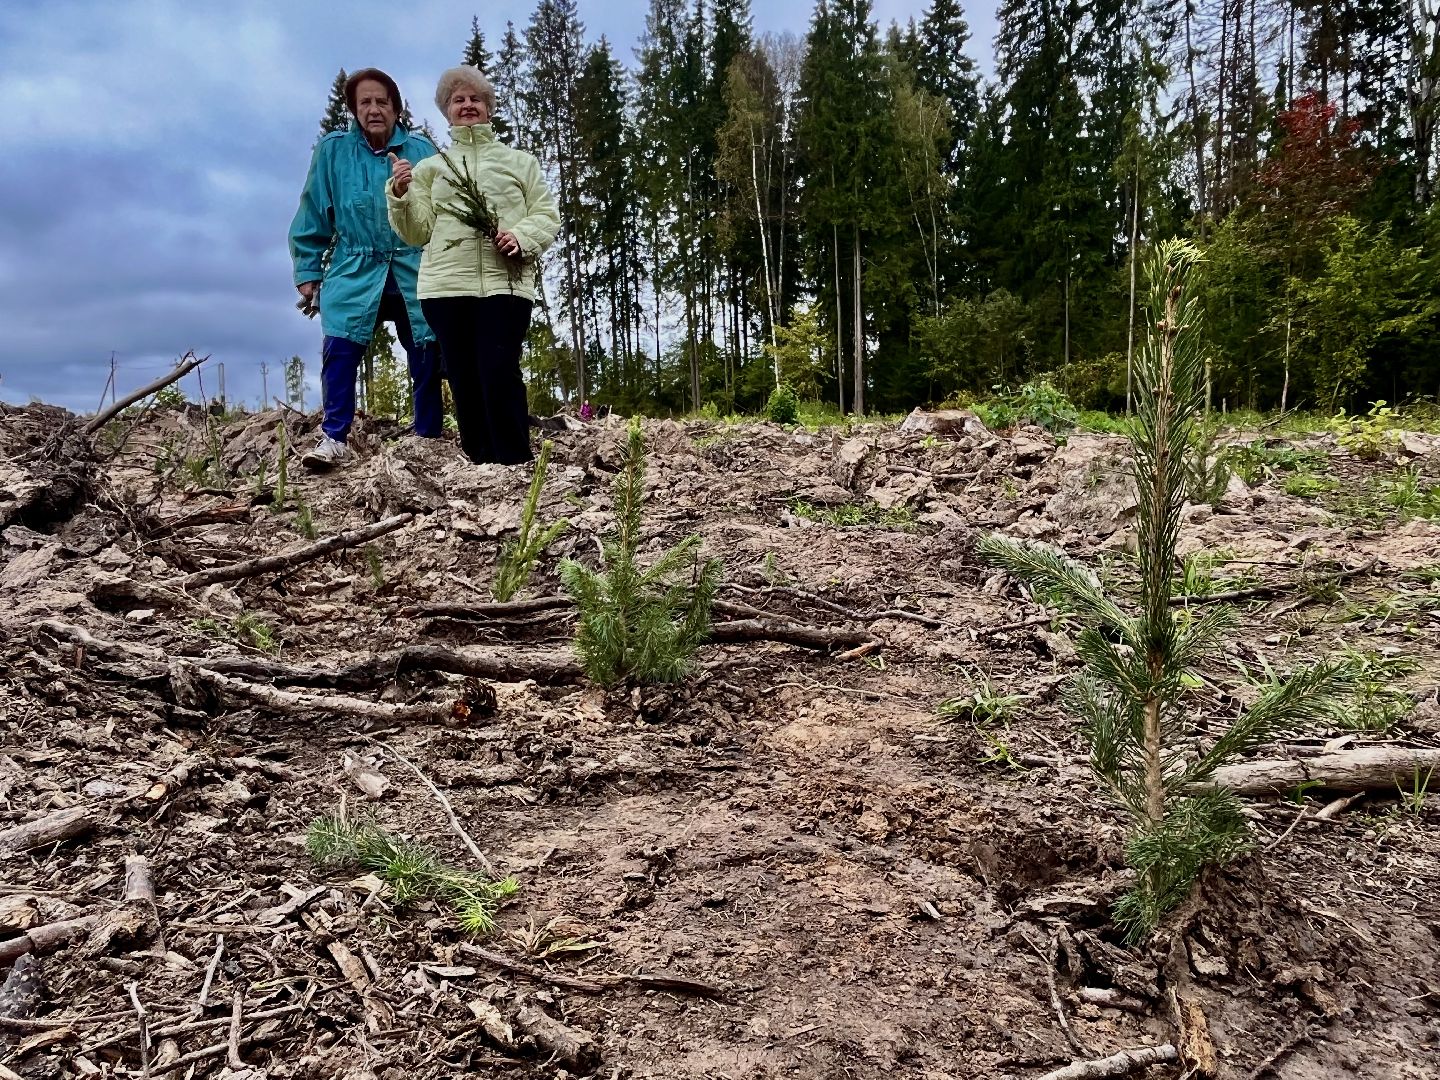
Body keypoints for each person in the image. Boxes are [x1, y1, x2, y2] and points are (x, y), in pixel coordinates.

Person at [386, 66, 560, 466]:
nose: (467, 106)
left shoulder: (520, 163)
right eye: (458, 100)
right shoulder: (432, 168)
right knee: (463, 375)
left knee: (499, 368)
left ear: (489, 108)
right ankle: (480, 463)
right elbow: (418, 230)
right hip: (446, 287)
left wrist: (519, 236)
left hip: (506, 284)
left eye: (475, 99)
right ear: (446, 111)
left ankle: (515, 461)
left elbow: (546, 215)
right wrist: (399, 194)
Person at [289, 67, 444, 469]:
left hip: (413, 264)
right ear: (354, 110)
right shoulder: (334, 151)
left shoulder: (423, 150)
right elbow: (313, 211)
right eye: (365, 103)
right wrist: (308, 271)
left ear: (395, 107)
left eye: (382, 101)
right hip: (355, 264)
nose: (374, 110)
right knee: (339, 347)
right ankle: (334, 437)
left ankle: (427, 434)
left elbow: (444, 213)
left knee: (426, 348)